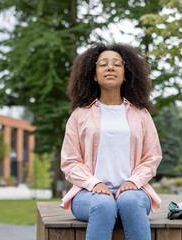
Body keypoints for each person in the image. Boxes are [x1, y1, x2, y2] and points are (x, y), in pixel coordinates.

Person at [60, 43, 162, 240]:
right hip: (87, 194)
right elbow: (70, 161)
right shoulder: (79, 115)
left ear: (125, 75)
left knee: (129, 201)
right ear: (94, 75)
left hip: (135, 192)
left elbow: (152, 157)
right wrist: (94, 183)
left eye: (117, 64)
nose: (110, 67)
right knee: (104, 203)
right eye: (103, 64)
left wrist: (134, 181)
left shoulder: (141, 115)